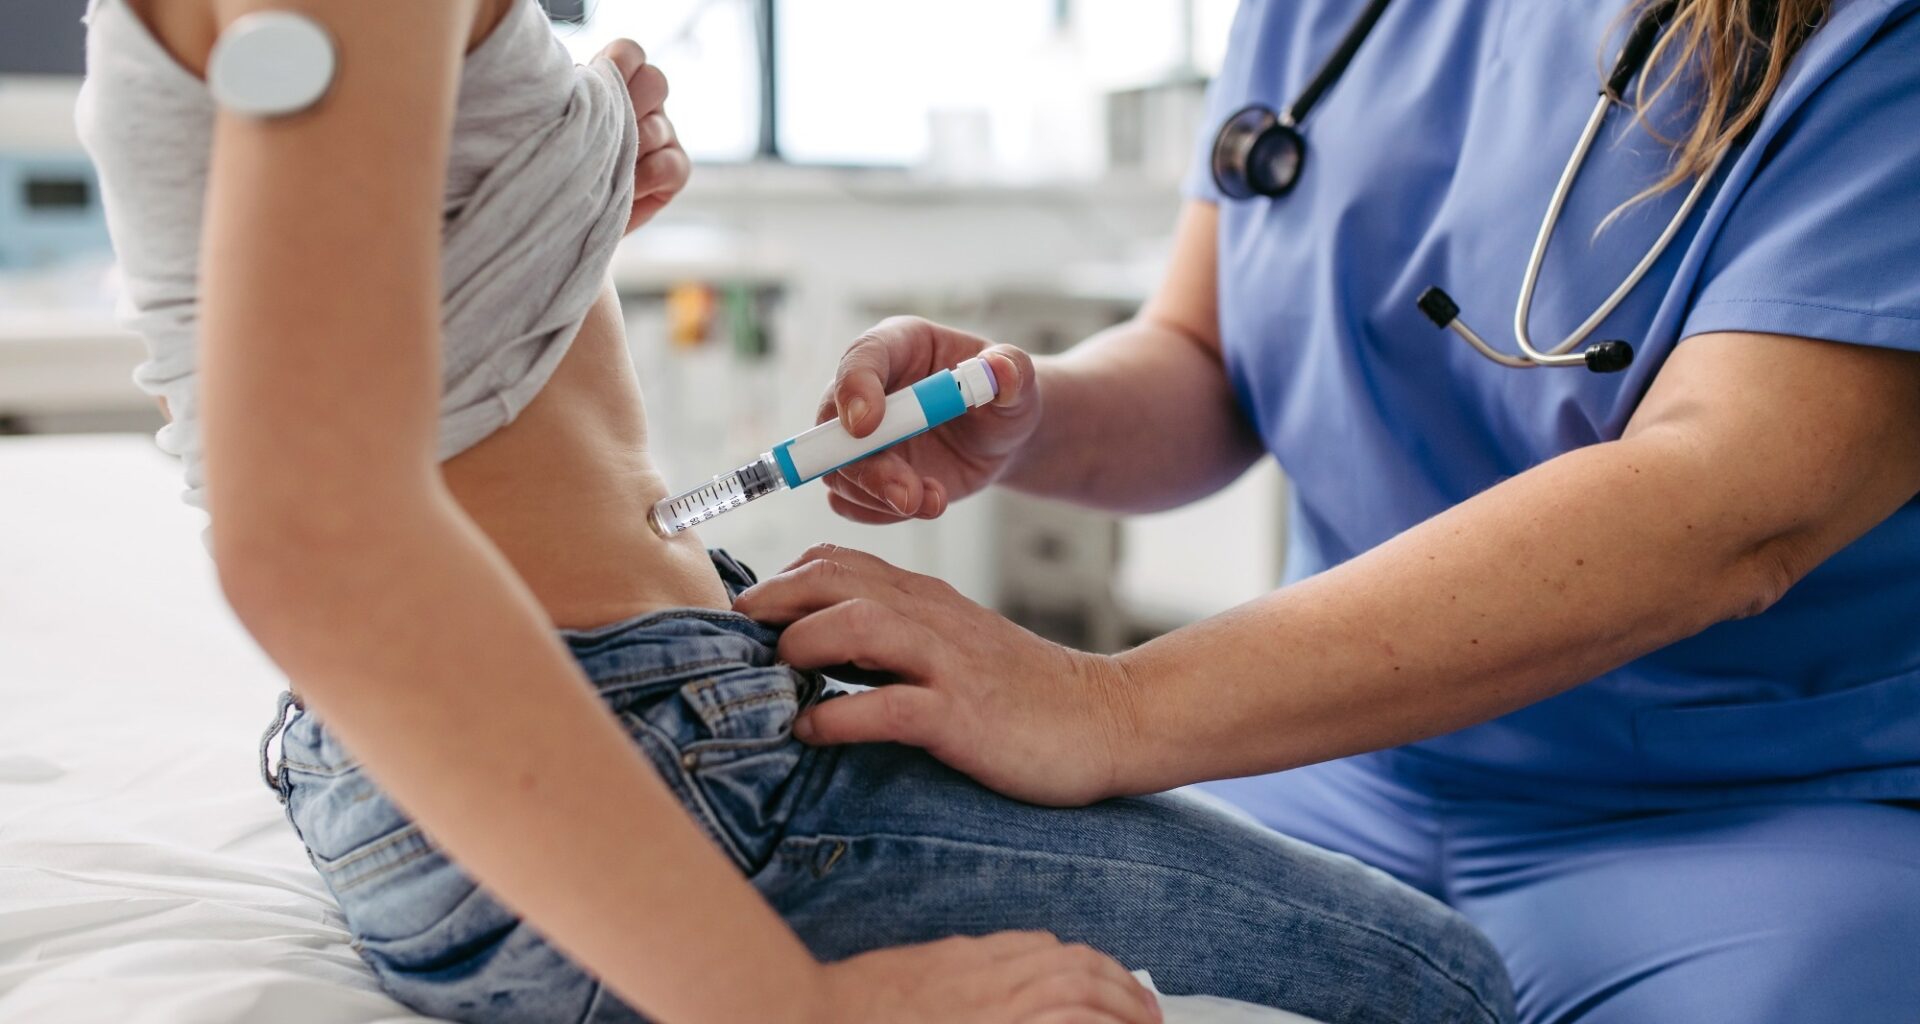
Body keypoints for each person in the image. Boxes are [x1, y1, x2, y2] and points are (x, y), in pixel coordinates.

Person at [73, 0, 1517, 1022]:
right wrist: (789, 1006)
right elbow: (313, 534)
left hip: (429, 766)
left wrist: (544, 204)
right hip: (637, 756)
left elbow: (337, 349)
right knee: (1443, 985)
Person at [732, 2, 1920, 1022]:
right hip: (1327, 753)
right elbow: (1206, 352)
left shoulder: (1874, 41)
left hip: (1738, 807)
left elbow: (1730, 503)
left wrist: (1110, 703)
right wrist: (1033, 415)